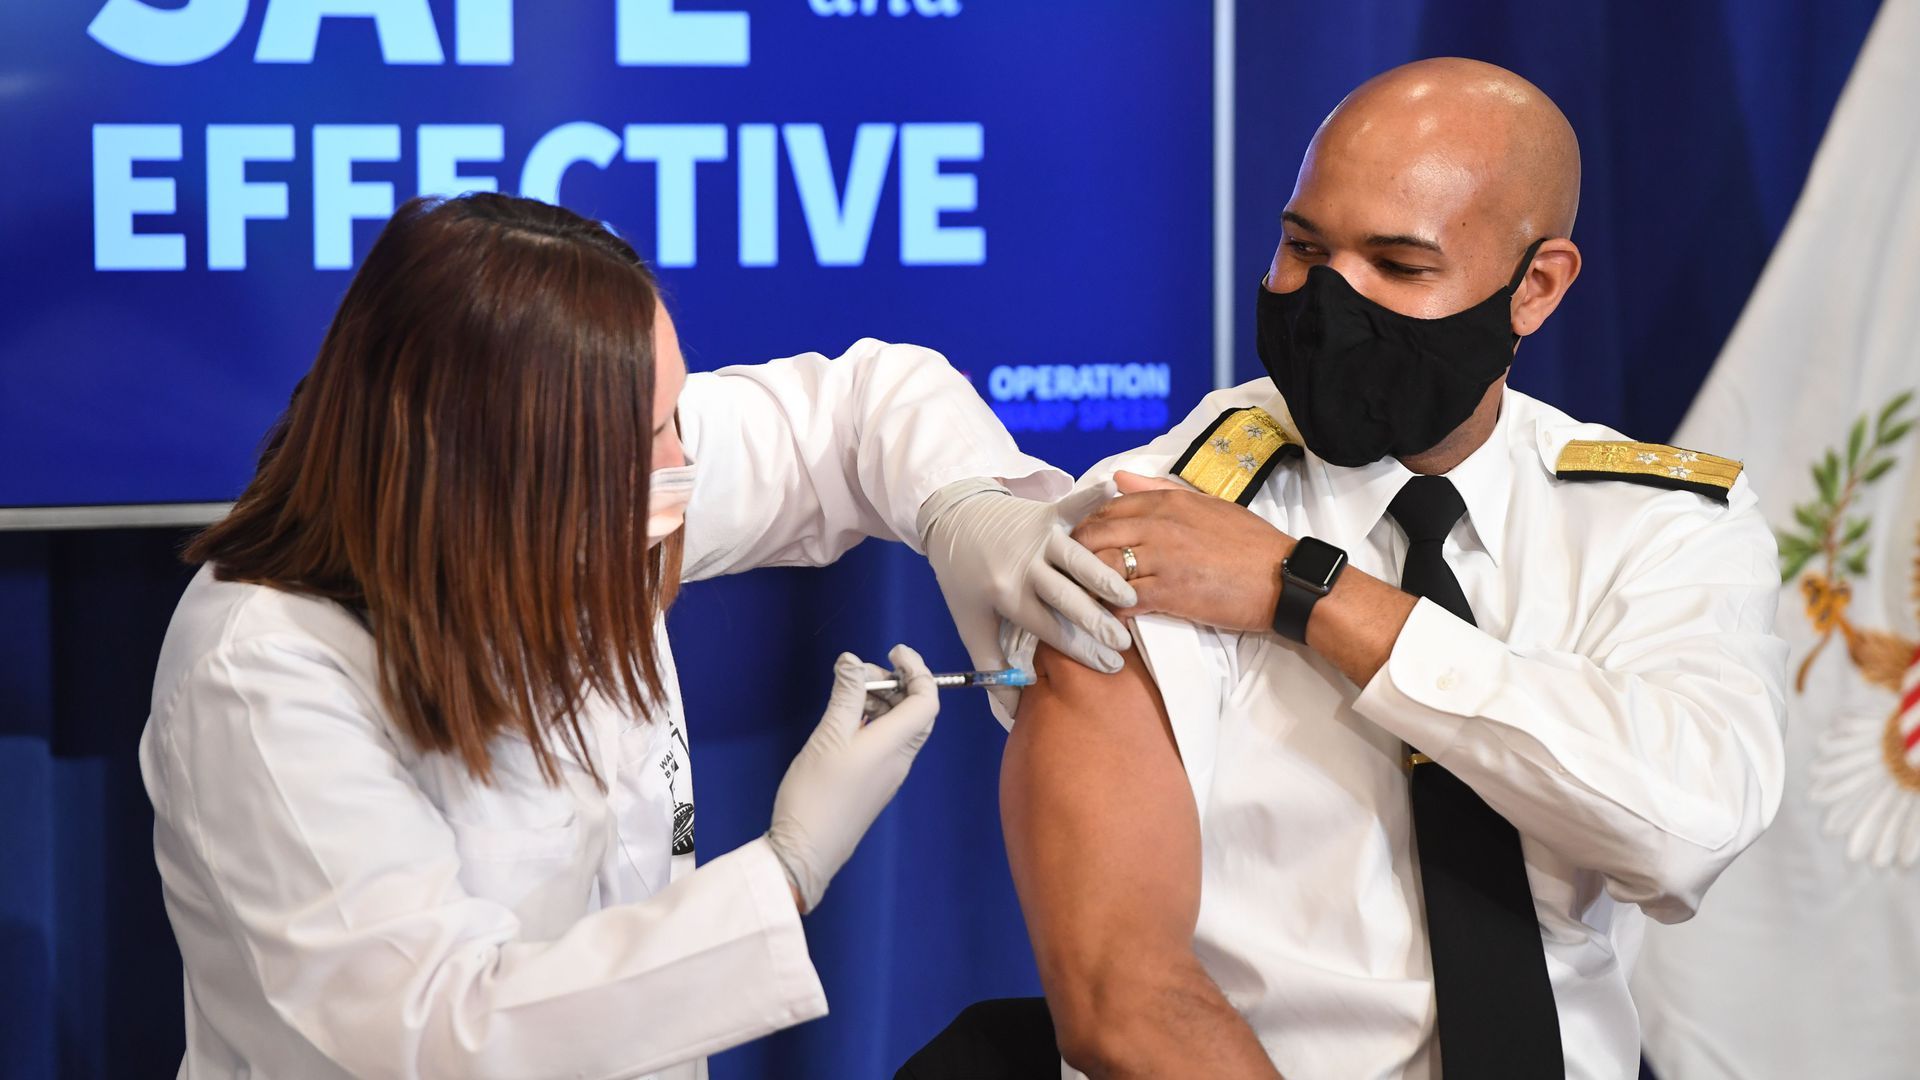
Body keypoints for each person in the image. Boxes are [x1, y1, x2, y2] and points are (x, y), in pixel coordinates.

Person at [141, 192, 1135, 1079]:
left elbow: (862, 409)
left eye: (674, 414)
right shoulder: (264, 672)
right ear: (499, 466)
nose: (685, 461)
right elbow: (443, 1035)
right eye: (651, 434)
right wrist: (784, 872)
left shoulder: (586, 492)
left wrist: (963, 509)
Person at [992, 59, 1789, 1079]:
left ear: (1535, 287)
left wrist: (1309, 593)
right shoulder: (1162, 511)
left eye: (1399, 267)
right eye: (1302, 249)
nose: (1329, 303)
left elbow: (1687, 829)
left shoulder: (1653, 523)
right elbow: (1123, 1002)